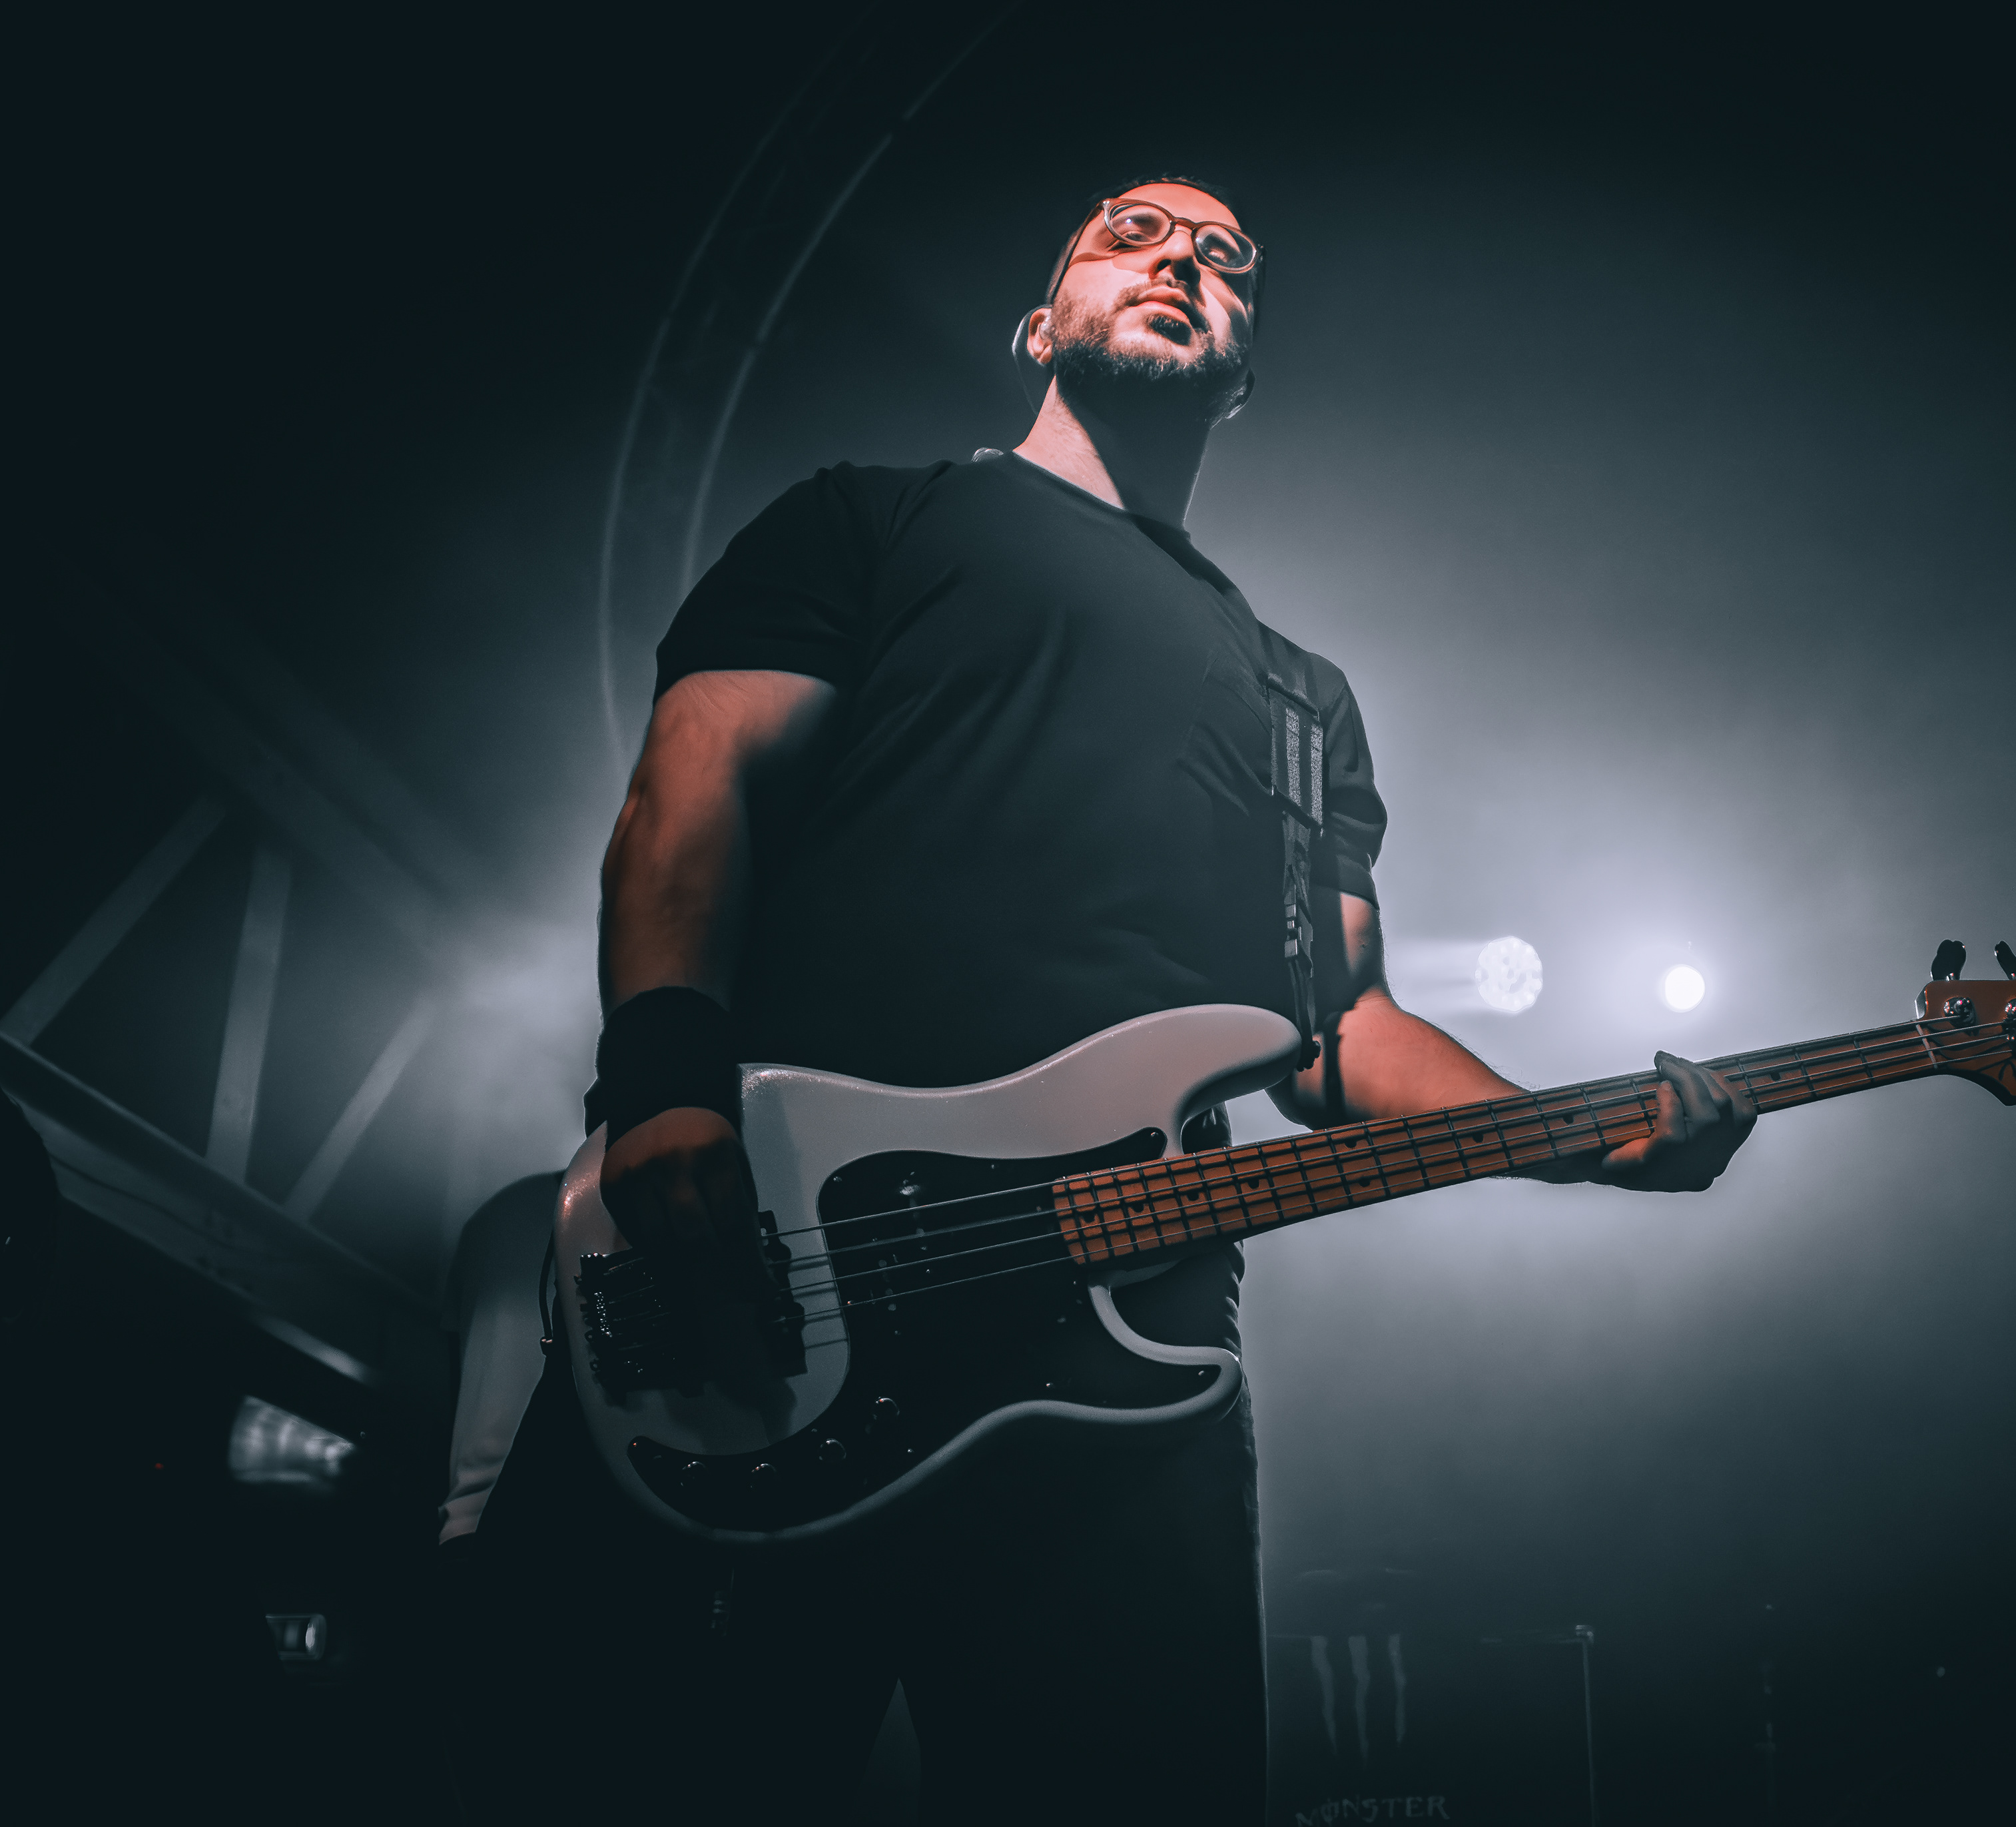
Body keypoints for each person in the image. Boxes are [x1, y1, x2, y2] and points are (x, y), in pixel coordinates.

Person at [464, 175, 1754, 1823]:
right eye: (1132, 234)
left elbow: (1336, 1030)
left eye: (1225, 260)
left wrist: (1576, 1134)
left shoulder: (1303, 702)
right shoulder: (873, 517)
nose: (1182, 261)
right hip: (774, 1278)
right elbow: (693, 783)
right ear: (1041, 321)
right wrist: (661, 1080)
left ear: (1242, 369)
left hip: (1129, 1351)